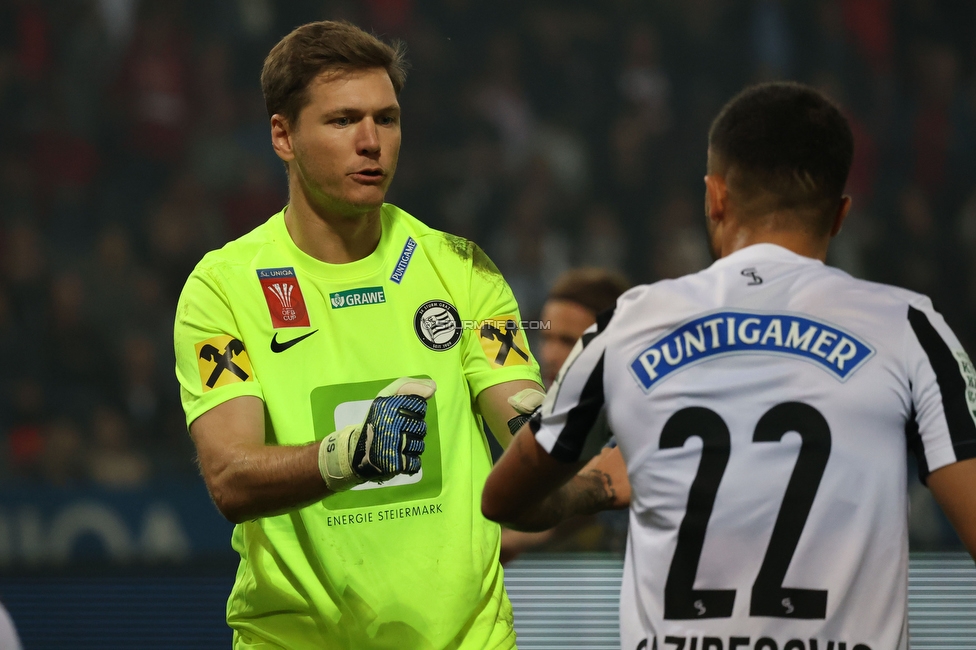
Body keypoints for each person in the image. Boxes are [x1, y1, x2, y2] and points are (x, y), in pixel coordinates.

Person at [483, 81, 976, 650]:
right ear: (840, 214)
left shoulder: (628, 324)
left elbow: (503, 500)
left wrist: (601, 484)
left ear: (715, 197)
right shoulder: (909, 327)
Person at [174, 20, 550, 649]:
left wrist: (578, 420)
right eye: (343, 121)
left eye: (387, 118)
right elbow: (230, 478)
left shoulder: (459, 269)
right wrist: (352, 455)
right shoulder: (223, 287)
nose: (371, 142)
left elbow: (524, 424)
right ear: (282, 135)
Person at [500, 267, 631, 563]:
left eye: (568, 341)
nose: (549, 355)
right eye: (547, 339)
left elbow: (574, 502)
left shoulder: (631, 420)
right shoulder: (567, 418)